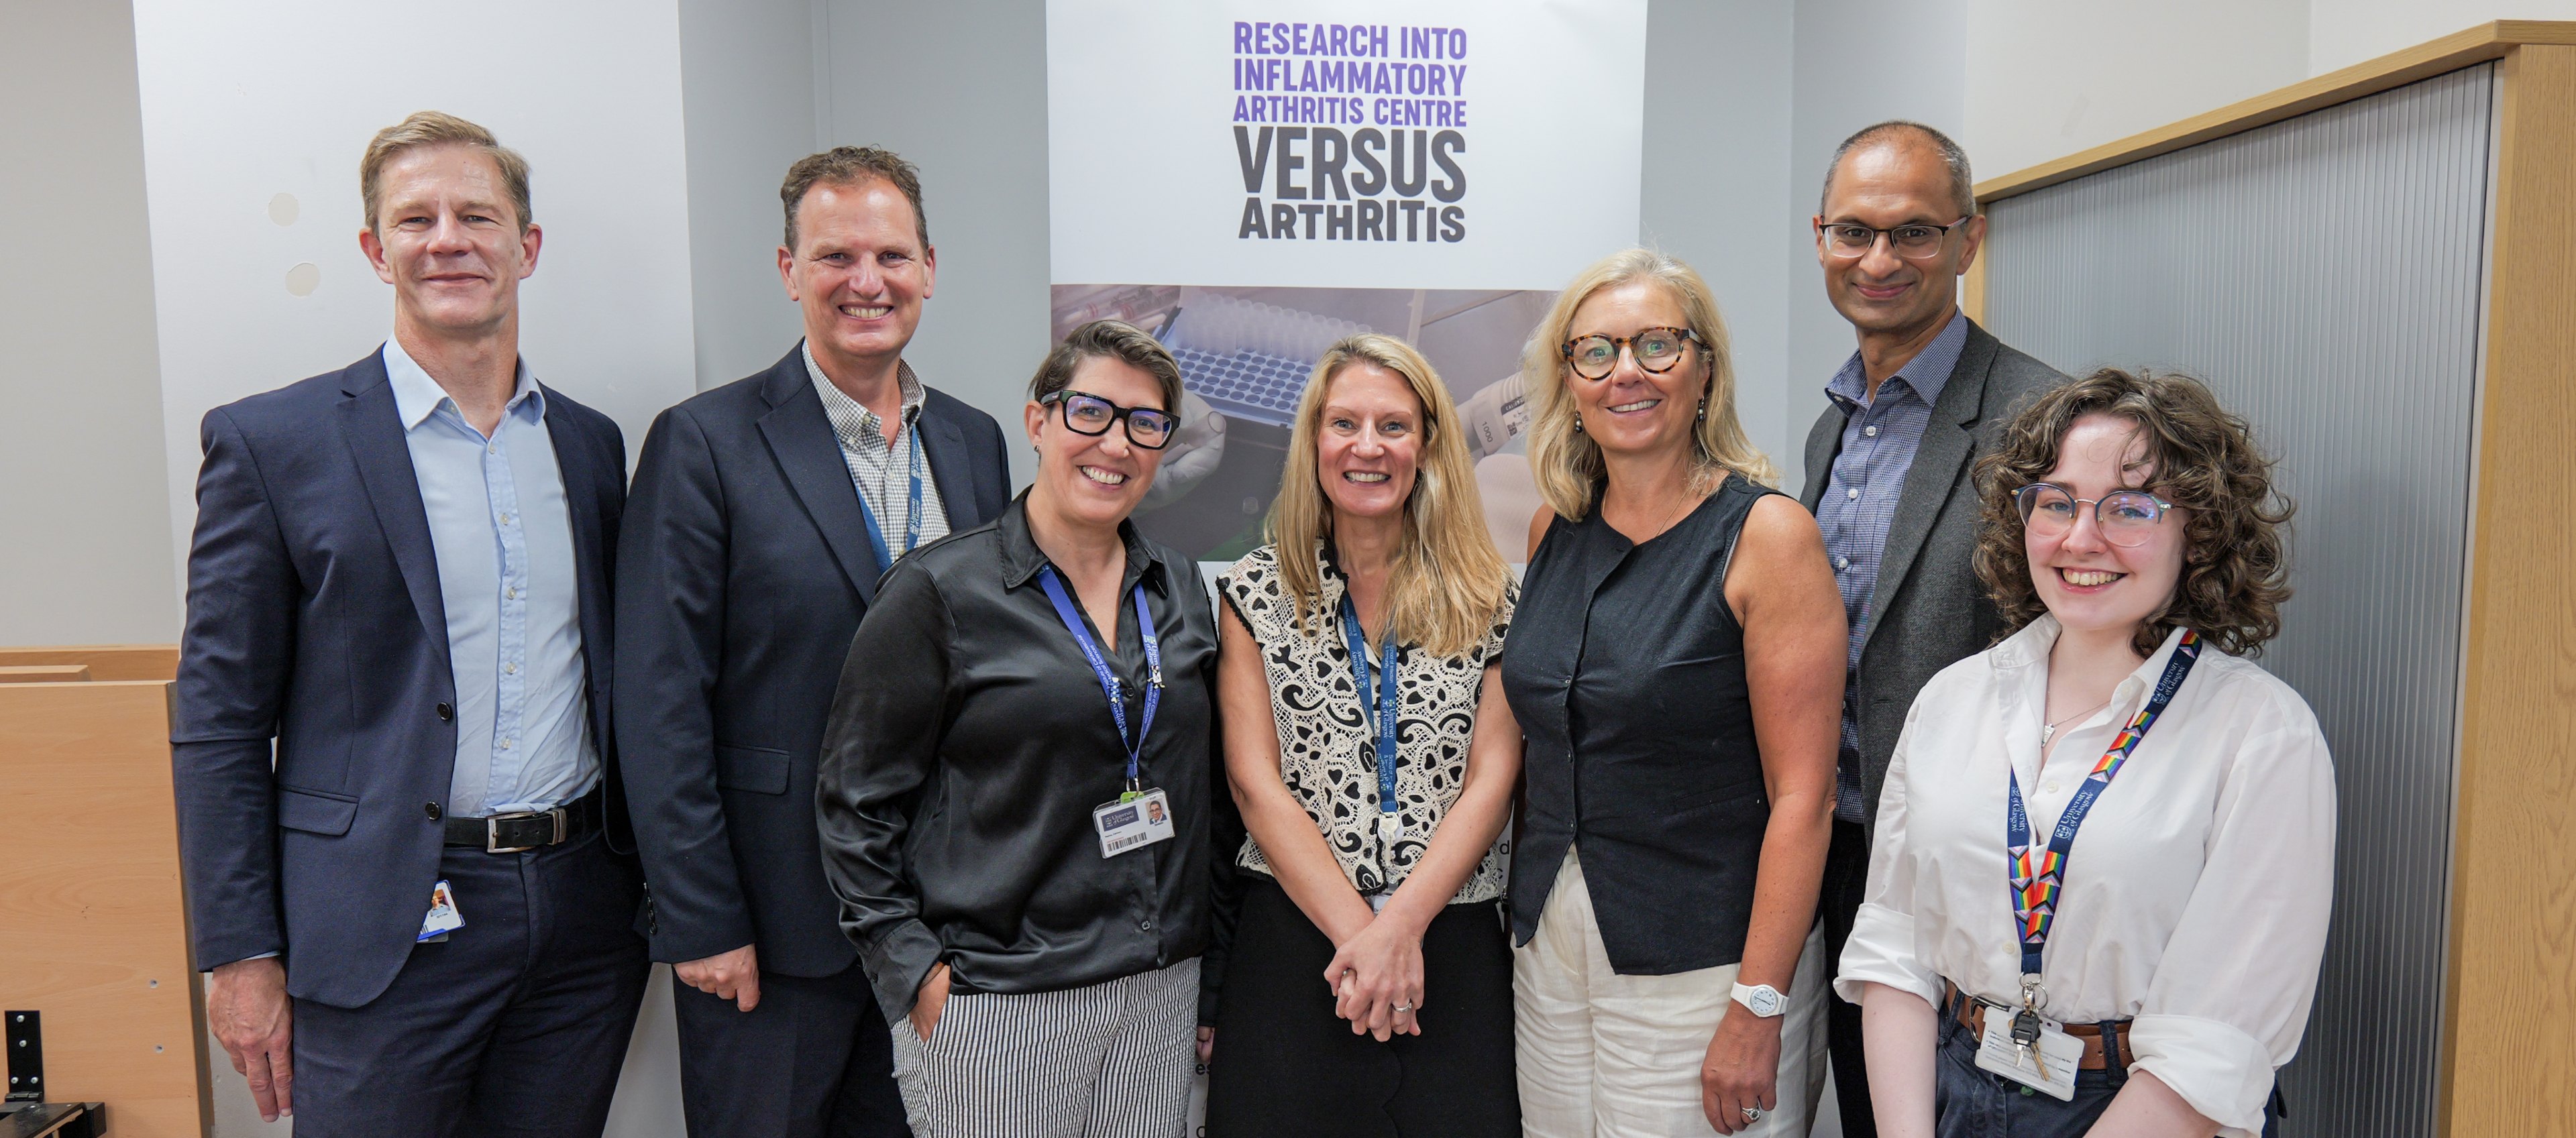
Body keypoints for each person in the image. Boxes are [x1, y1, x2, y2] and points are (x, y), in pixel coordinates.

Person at [173, 111, 646, 1134]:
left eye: (478, 214)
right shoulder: (274, 443)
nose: (447, 239)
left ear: (526, 247)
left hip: (579, 919)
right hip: (381, 920)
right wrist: (239, 951)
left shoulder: (591, 447)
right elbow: (217, 719)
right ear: (372, 248)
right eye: (415, 218)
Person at [616, 146, 1011, 1137]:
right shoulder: (704, 442)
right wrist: (703, 920)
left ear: (930, 266)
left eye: (891, 255)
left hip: (941, 925)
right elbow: (659, 700)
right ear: (790, 270)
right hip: (776, 927)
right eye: (836, 256)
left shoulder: (972, 441)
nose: (866, 282)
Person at [1837, 369, 2330, 1138]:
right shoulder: (1952, 701)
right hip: (1951, 1085)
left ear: (2195, 531)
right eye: (2057, 501)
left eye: (2129, 508)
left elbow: (2216, 1040)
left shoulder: (2261, 733)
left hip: (2144, 1105)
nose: (2081, 538)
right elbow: (1897, 946)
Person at [814, 321, 1222, 1137]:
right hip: (1001, 1000)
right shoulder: (939, 592)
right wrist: (914, 970)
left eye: (1145, 423)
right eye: (1090, 412)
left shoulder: (1176, 584)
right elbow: (853, 802)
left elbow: (1203, 792)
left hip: (1158, 989)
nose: (1116, 442)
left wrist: (1209, 978)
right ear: (1038, 423)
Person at [1502, 248, 1846, 1137]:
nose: (1627, 373)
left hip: (1706, 963)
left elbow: (1803, 797)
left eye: (1657, 345)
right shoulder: (1555, 527)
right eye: (1597, 351)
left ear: (1704, 368)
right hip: (1552, 945)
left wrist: (1759, 1003)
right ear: (1568, 378)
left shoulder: (1767, 536)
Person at [1798, 119, 2067, 1137]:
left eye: (1913, 233)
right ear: (1819, 237)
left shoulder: (2041, 419)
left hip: (1974, 865)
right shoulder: (1837, 422)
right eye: (1855, 232)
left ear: (1969, 240)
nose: (1879, 260)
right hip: (1841, 844)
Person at [1205, 335, 1522, 1137]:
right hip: (1298, 942)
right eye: (1344, 423)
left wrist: (1402, 927)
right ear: (1313, 440)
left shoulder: (1491, 595)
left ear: (1429, 444)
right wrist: (1366, 937)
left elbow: (1494, 774)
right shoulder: (1255, 590)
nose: (1368, 447)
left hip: (1450, 942)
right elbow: (1254, 783)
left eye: (1394, 425)